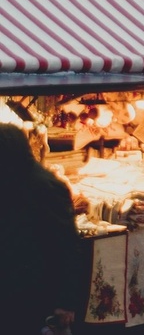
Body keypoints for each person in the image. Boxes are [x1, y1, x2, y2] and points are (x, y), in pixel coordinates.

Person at [0, 123, 81, 334]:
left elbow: (66, 246)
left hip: (39, 292)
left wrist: (66, 301)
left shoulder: (45, 186)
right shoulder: (12, 179)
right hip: (15, 288)